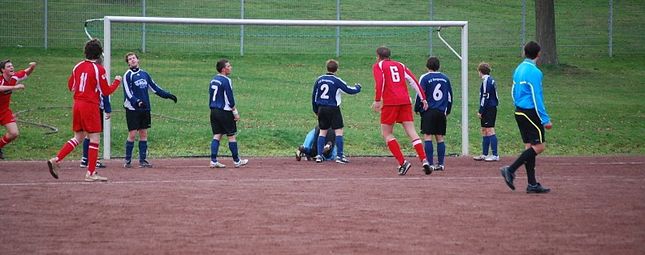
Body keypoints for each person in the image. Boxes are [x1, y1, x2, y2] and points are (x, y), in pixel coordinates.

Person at [47, 38, 121, 181]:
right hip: (90, 105)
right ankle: (91, 173)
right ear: (99, 54)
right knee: (94, 138)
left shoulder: (78, 66)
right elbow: (105, 91)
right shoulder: (99, 69)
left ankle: (57, 159)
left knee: (78, 137)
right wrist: (117, 81)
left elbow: (71, 86)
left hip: (77, 104)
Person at [500, 41, 552, 194]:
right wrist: (545, 119)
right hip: (530, 112)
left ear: (524, 52)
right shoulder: (535, 72)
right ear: (539, 54)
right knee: (539, 146)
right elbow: (537, 97)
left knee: (529, 147)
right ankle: (510, 169)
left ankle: (532, 184)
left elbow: (513, 89)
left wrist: (517, 104)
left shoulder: (518, 69)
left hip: (519, 111)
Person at [371, 46, 430, 176]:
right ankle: (424, 160)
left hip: (390, 102)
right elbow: (413, 81)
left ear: (378, 56)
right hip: (405, 101)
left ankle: (402, 162)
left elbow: (380, 82)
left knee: (387, 133)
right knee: (411, 131)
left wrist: (377, 100)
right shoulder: (400, 65)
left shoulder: (379, 66)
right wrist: (423, 98)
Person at [122, 52, 177, 168]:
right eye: (130, 59)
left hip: (145, 108)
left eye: (134, 58)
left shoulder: (145, 74)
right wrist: (137, 102)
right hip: (133, 109)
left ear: (138, 60)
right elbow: (128, 93)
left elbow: (155, 88)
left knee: (143, 133)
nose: (132, 60)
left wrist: (168, 95)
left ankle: (143, 160)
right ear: (127, 63)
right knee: (132, 134)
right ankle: (127, 160)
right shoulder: (127, 75)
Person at [311, 59, 361, 164]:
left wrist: (316, 109)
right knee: (338, 131)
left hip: (321, 108)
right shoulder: (337, 80)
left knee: (322, 131)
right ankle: (339, 155)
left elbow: (314, 95)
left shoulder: (319, 80)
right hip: (333, 108)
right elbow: (348, 90)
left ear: (326, 68)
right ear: (337, 69)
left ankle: (319, 155)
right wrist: (357, 88)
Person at [414, 56, 453, 173]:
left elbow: (420, 93)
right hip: (441, 111)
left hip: (429, 111)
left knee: (427, 136)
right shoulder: (445, 78)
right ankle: (441, 164)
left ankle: (430, 164)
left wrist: (417, 108)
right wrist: (448, 110)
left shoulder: (425, 78)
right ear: (439, 66)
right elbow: (450, 96)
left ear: (427, 66)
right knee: (440, 138)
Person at [208, 59, 248, 168]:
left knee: (217, 135)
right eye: (229, 66)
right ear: (223, 69)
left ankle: (213, 160)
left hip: (213, 111)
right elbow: (230, 99)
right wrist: (235, 112)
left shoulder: (213, 80)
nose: (231, 67)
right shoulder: (226, 80)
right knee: (231, 135)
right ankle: (236, 161)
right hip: (224, 111)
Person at [0, 60, 36, 160]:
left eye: (12, 66)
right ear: (3, 70)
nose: (11, 67)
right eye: (8, 66)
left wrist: (32, 68)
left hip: (4, 111)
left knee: (14, 133)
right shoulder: (1, 79)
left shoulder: (14, 77)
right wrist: (14, 87)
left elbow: (25, 72)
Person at [473, 62, 499, 162]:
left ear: (480, 71)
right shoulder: (489, 80)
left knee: (490, 130)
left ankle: (495, 154)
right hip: (489, 108)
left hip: (489, 108)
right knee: (484, 129)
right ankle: (484, 154)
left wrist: (480, 111)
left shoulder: (486, 81)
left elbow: (485, 97)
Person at [79, 95, 110, 168]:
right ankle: (93, 160)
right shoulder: (99, 83)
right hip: (95, 108)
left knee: (89, 135)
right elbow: (105, 92)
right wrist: (108, 109)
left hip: (86, 106)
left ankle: (85, 159)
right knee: (95, 136)